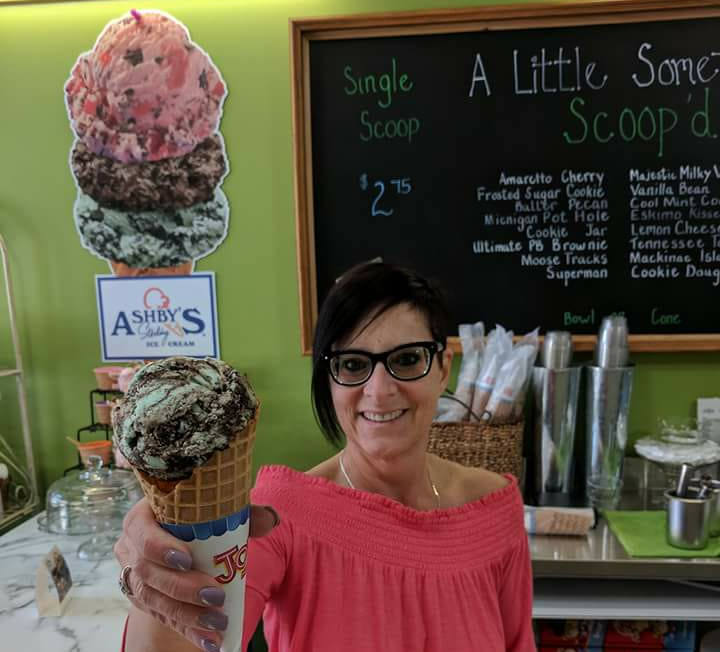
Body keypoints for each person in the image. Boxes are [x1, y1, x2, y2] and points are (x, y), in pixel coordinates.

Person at [115, 262, 535, 652]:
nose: (380, 389)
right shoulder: (281, 511)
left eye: (407, 360)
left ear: (443, 367)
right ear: (328, 381)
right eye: (353, 364)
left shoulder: (493, 507)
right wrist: (167, 550)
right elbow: (196, 638)